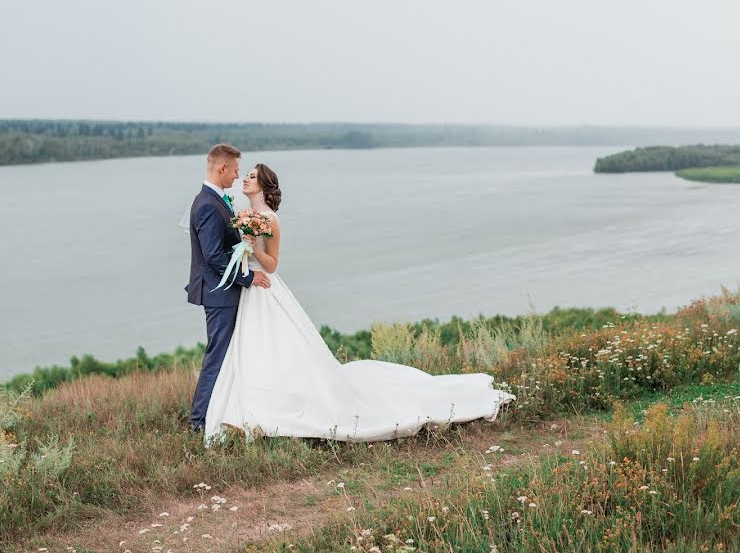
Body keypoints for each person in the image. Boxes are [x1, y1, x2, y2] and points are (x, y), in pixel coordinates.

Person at [202, 161, 515, 446]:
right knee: (256, 349)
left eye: (252, 176)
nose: (245, 179)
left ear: (265, 185)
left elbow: (271, 265)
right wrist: (242, 242)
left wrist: (250, 247)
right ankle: (254, 404)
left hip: (265, 286)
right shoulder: (245, 214)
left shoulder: (269, 219)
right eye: (245, 175)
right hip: (250, 291)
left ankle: (276, 409)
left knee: (277, 348)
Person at [185, 143, 271, 433]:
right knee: (217, 356)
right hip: (219, 294)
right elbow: (213, 256)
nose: (237, 177)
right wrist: (248, 279)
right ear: (222, 167)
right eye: (235, 170)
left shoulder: (214, 199)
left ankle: (221, 412)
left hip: (222, 292)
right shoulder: (208, 204)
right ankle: (198, 422)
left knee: (224, 355)